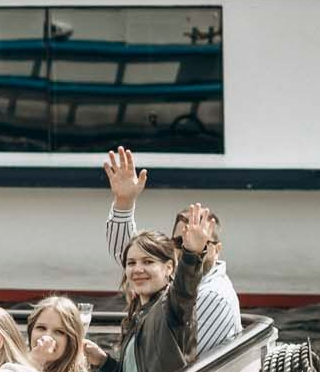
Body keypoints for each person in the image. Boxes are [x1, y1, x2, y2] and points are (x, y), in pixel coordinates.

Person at [103, 147, 241, 357]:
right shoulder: (167, 280)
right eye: (180, 241)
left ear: (217, 249)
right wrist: (124, 203)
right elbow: (132, 255)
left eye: (201, 242)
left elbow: (181, 365)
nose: (186, 247)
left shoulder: (213, 295)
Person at [109, 202, 219, 372]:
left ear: (169, 268)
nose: (138, 269)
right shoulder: (138, 314)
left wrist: (192, 254)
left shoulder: (171, 306)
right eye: (131, 263)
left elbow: (185, 290)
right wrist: (101, 362)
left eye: (148, 262)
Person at [27, 294, 107, 372]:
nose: (47, 337)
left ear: (71, 341)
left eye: (59, 332)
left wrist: (33, 361)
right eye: (41, 328)